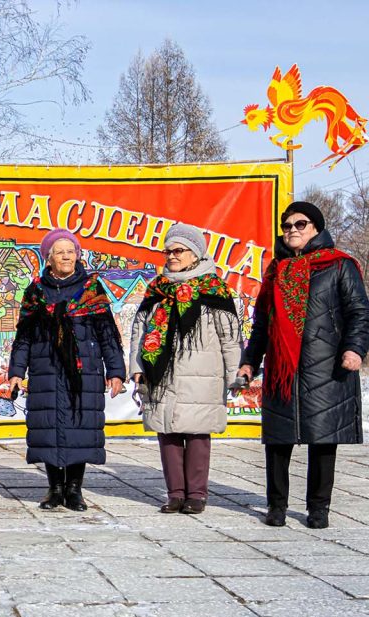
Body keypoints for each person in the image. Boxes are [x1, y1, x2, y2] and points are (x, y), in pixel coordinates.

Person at [237, 201, 369, 529]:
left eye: (301, 224)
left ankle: (318, 508)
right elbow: (262, 325)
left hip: (328, 368)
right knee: (278, 441)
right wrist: (249, 362)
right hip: (283, 370)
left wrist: (355, 349)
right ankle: (276, 506)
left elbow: (359, 312)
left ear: (316, 228)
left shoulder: (339, 265)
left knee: (323, 439)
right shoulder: (275, 270)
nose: (292, 230)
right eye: (287, 225)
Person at [8, 229, 125, 511]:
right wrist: (16, 371)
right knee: (48, 427)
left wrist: (116, 371)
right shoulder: (35, 291)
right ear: (48, 258)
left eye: (70, 251)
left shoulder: (91, 289)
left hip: (83, 372)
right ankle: (54, 489)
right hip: (45, 368)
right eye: (59, 252)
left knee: (80, 428)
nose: (66, 256)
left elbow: (108, 333)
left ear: (78, 256)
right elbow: (24, 336)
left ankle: (74, 489)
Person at [129, 223, 240, 514]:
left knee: (197, 434)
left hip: (202, 375)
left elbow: (230, 338)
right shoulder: (157, 289)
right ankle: (175, 494)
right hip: (162, 375)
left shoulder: (214, 290)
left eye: (178, 250)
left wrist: (235, 374)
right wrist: (137, 366)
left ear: (196, 254)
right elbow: (139, 332)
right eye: (168, 251)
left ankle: (197, 495)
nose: (171, 256)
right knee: (167, 433)